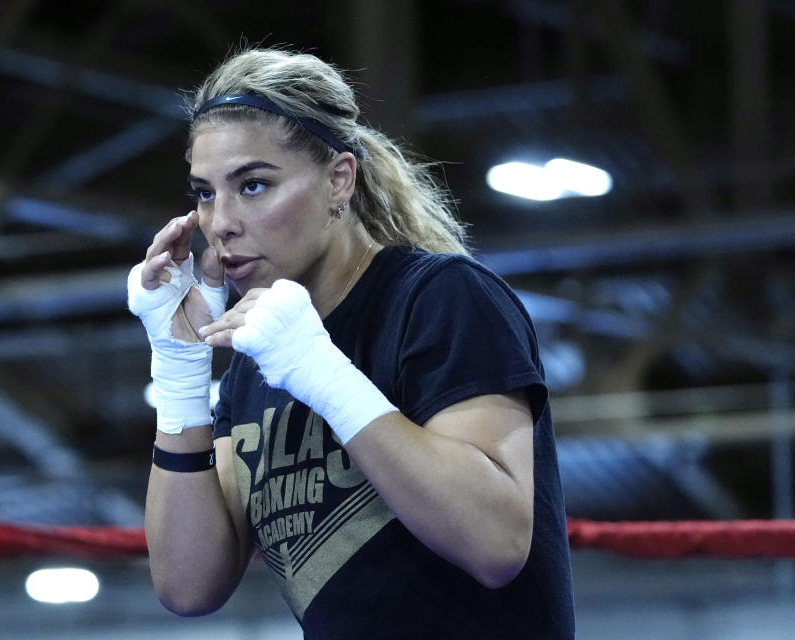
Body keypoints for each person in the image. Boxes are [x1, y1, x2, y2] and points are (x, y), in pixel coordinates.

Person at [127, 47, 575, 639]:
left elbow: (495, 544)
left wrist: (323, 373)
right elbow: (188, 586)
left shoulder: (442, 299)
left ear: (339, 179)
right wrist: (180, 366)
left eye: (254, 185)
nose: (222, 221)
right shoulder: (255, 363)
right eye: (205, 193)